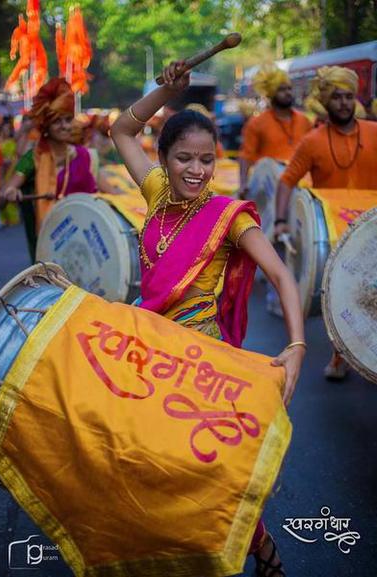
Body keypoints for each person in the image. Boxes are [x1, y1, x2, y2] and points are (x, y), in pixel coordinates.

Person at [111, 59, 306, 577]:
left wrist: (296, 345)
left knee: (207, 469)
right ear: (164, 159)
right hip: (146, 351)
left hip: (200, 361)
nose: (196, 170)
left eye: (206, 160)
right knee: (136, 458)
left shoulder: (227, 215)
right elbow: (122, 128)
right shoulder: (155, 193)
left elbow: (283, 277)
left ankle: (258, 546)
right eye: (184, 159)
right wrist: (164, 92)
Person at [275, 65, 377, 379]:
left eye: (349, 97)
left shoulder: (374, 132)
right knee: (342, 295)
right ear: (326, 102)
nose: (344, 103)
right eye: (337, 97)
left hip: (372, 228)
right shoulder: (313, 141)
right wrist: (280, 219)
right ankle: (340, 355)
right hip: (333, 231)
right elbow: (286, 181)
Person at [0, 78, 98, 262]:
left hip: (86, 248)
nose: (65, 126)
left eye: (68, 119)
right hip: (45, 252)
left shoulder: (83, 155)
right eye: (57, 121)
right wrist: (9, 193)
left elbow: (100, 193)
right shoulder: (32, 158)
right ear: (46, 125)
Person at [238, 65, 312, 198]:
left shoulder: (304, 121)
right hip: (269, 189)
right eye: (282, 89)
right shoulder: (256, 123)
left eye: (289, 88)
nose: (288, 93)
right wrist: (243, 184)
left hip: (302, 188)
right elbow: (245, 156)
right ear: (271, 93)